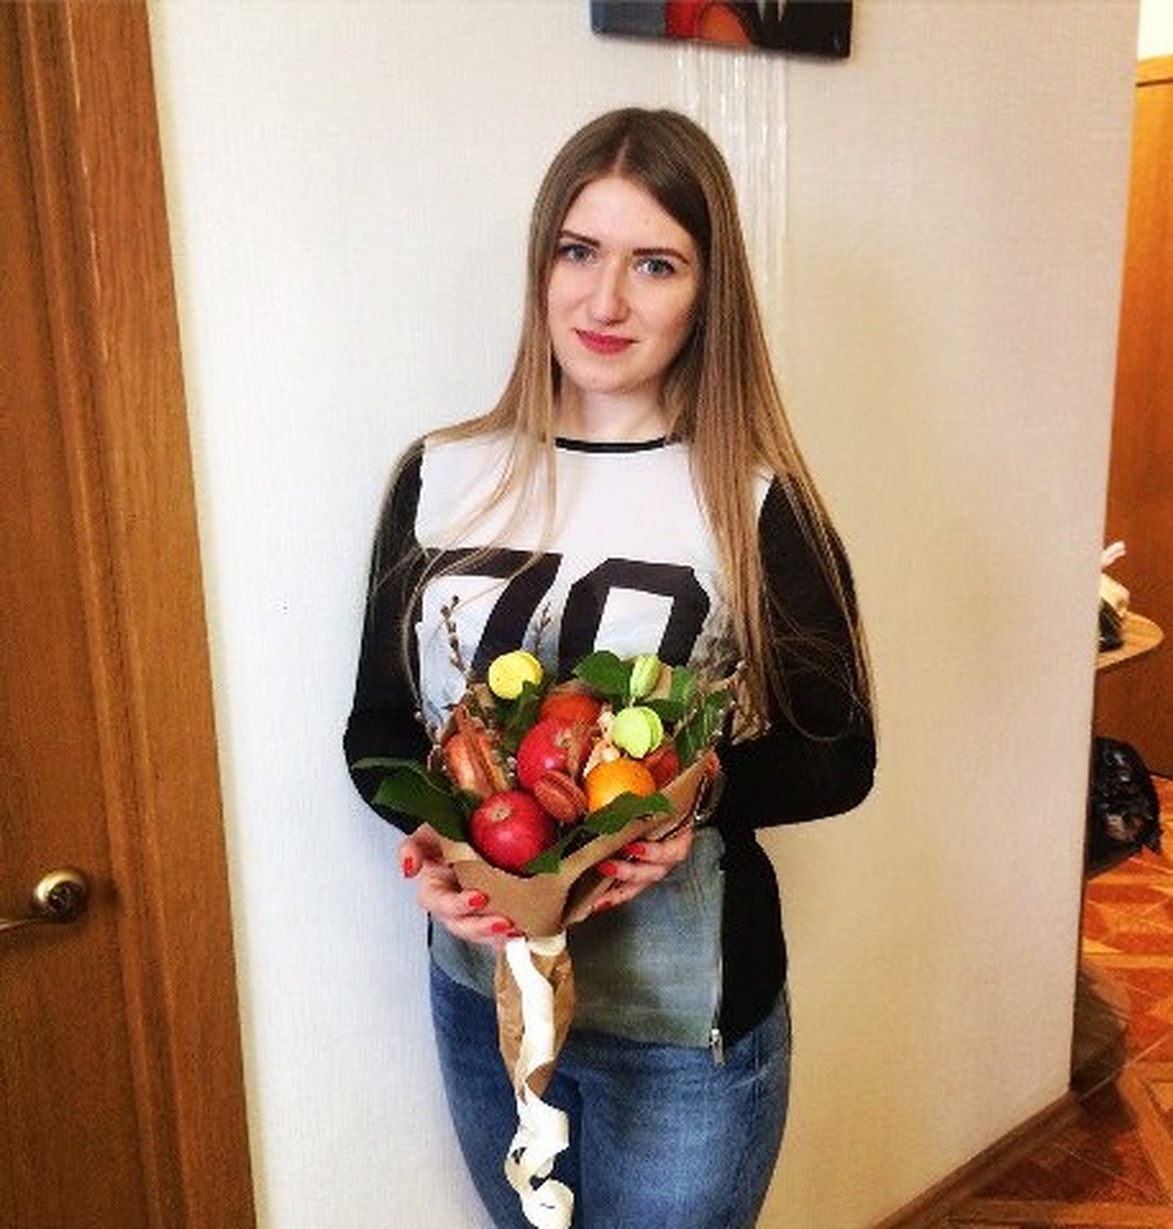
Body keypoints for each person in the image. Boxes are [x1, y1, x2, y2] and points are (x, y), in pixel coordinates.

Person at [344, 107, 876, 1229]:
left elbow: (840, 754)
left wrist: (699, 797)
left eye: (656, 264)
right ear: (541, 262)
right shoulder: (440, 475)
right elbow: (378, 727)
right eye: (578, 251)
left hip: (683, 1032)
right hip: (483, 1002)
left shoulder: (756, 499)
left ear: (708, 292)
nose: (605, 301)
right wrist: (433, 841)